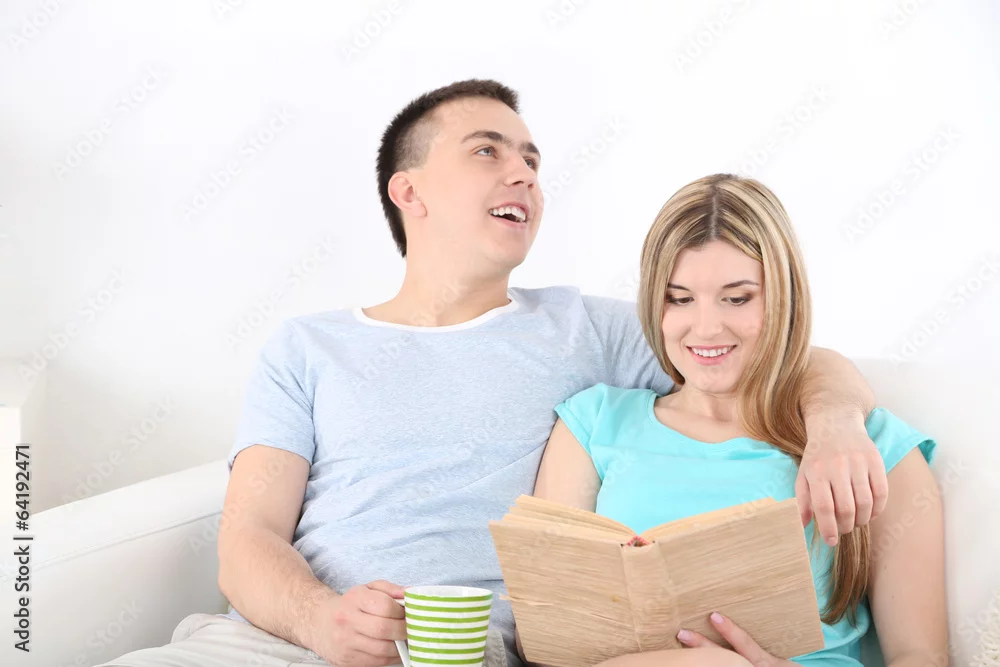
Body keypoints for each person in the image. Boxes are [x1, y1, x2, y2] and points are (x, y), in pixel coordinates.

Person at [98, 81, 890, 667]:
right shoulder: (306, 346)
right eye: (489, 151)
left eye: (533, 160)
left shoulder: (589, 329)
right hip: (277, 641)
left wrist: (834, 422)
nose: (525, 175)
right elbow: (246, 539)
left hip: (467, 651)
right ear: (408, 191)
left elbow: (778, 352)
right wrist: (321, 619)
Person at [525, 174, 947, 667]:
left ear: (784, 298)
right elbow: (549, 636)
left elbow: (922, 657)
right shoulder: (593, 424)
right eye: (680, 298)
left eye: (737, 298)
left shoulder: (866, 446)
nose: (706, 328)